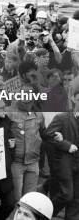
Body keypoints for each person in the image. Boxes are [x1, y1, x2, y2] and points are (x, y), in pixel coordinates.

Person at [44, 87, 79, 220]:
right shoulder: (62, 117)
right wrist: (66, 145)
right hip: (65, 162)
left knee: (76, 199)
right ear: (73, 100)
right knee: (67, 194)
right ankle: (44, 211)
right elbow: (48, 134)